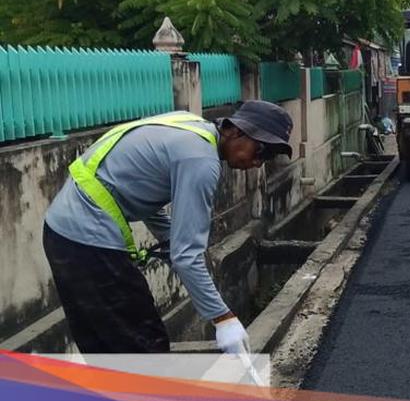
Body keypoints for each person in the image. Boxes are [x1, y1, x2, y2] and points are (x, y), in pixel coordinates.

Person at [42, 101, 294, 354]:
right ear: (237, 131)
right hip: (88, 242)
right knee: (143, 343)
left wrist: (171, 239)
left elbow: (142, 188)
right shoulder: (200, 160)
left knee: (104, 347)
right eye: (260, 151)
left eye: (268, 157)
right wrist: (223, 319)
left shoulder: (186, 125)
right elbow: (186, 257)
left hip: (61, 233)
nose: (259, 162)